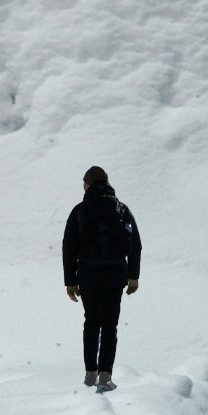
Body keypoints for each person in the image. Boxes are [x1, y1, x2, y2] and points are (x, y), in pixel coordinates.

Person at [61, 161, 141, 390]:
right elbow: (135, 244)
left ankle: (90, 374)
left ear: (87, 185)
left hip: (88, 276)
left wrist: (70, 282)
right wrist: (133, 276)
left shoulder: (80, 211)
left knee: (91, 322)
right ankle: (106, 376)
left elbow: (69, 247)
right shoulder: (121, 209)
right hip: (116, 275)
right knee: (110, 325)